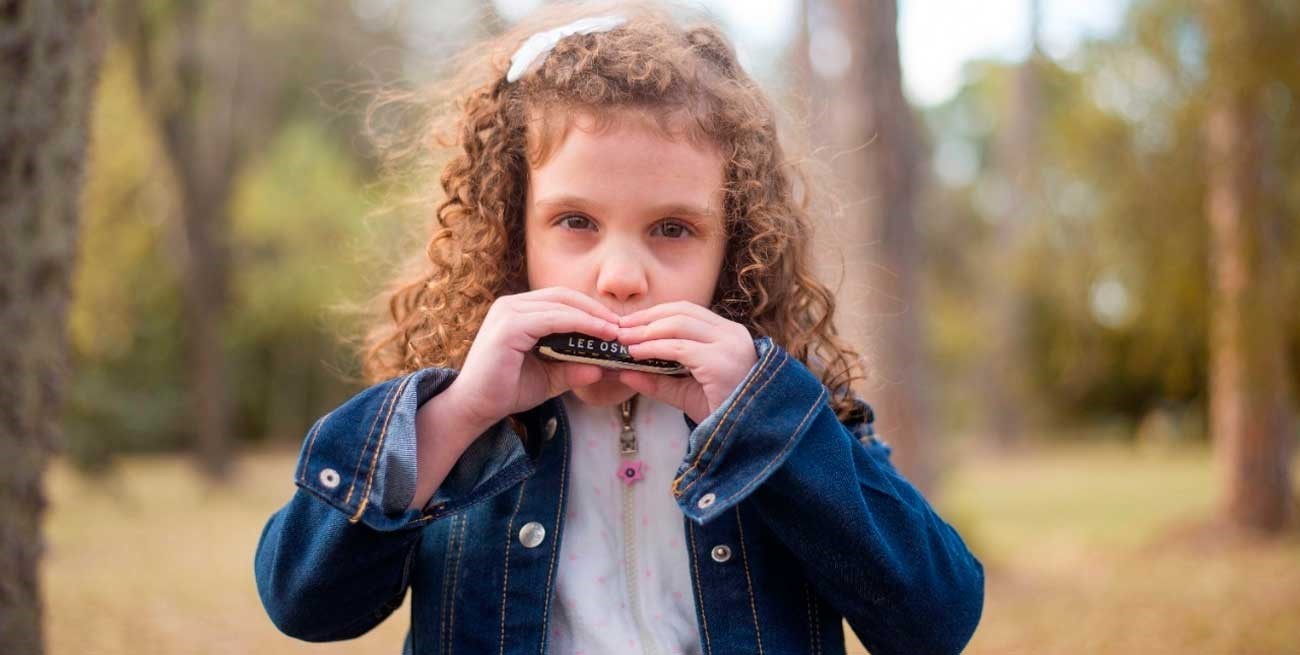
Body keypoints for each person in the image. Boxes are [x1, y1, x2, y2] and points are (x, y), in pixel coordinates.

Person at [254, 2, 984, 654]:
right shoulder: (453, 423)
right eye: (576, 221)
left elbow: (936, 622)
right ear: (513, 232)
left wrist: (766, 423)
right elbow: (304, 605)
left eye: (673, 228)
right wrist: (460, 413)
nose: (621, 276)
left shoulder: (791, 414)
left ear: (732, 249)